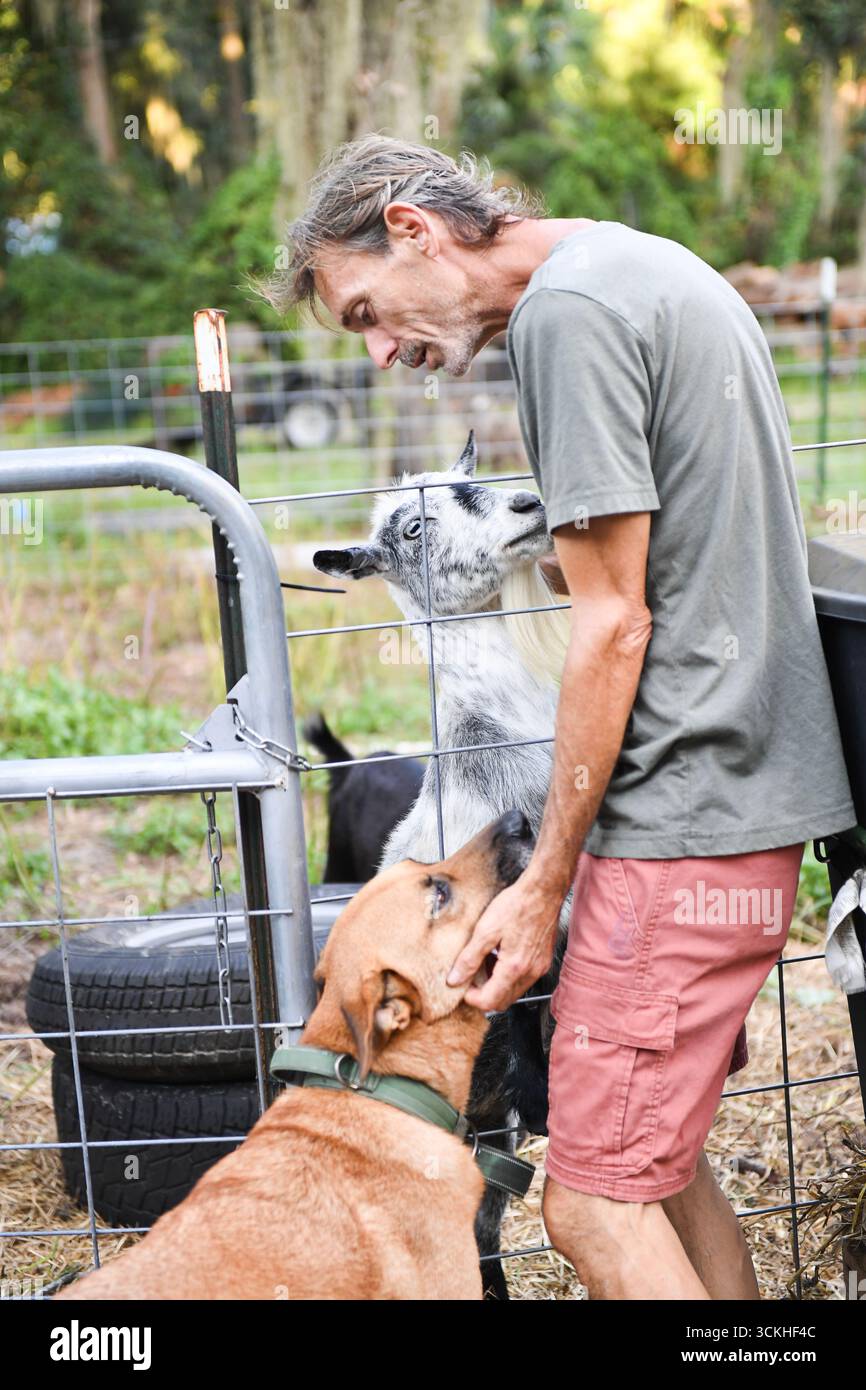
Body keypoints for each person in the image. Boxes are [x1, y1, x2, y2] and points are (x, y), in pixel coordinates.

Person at [268, 135, 857, 1299]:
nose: (383, 351)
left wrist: (538, 886)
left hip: (679, 809)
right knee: (661, 1172)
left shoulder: (563, 321)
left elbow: (613, 623)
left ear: (410, 228)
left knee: (590, 1207)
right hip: (739, 790)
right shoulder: (638, 265)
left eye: (365, 315)